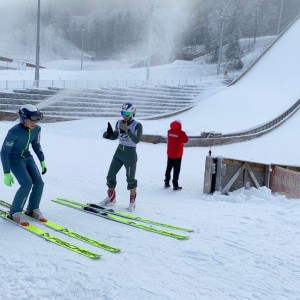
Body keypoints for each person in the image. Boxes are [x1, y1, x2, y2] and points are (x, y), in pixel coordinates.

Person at [0, 104, 47, 226]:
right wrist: (6, 172)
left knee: (39, 183)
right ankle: (15, 212)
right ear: (23, 119)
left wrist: (42, 160)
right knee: (26, 184)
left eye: (36, 120)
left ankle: (32, 209)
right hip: (14, 160)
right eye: (31, 120)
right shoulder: (14, 132)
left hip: (27, 157)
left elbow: (36, 145)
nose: (34, 123)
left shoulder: (37, 129)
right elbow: (4, 152)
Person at [101, 102, 143, 212]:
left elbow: (137, 140)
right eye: (123, 112)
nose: (124, 115)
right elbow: (116, 136)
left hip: (130, 153)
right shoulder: (119, 122)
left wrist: (127, 130)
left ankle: (132, 202)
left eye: (127, 113)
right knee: (110, 176)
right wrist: (108, 135)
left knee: (130, 179)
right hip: (119, 151)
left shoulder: (137, 125)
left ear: (132, 113)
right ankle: (111, 198)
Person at [164, 120, 189, 190]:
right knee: (176, 170)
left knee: (168, 168)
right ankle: (175, 185)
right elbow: (186, 140)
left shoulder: (169, 132)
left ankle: (166, 182)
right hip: (177, 154)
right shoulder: (181, 133)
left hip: (170, 153)